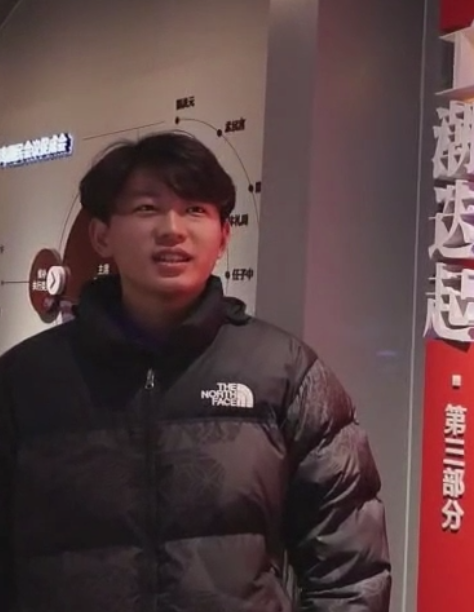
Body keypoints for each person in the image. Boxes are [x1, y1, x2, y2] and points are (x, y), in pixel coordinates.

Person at [0, 131, 391, 612]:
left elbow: (350, 571)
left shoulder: (284, 373)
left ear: (223, 236)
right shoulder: (26, 380)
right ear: (102, 235)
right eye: (146, 208)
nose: (172, 229)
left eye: (195, 210)